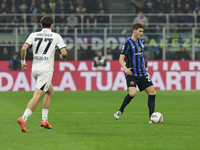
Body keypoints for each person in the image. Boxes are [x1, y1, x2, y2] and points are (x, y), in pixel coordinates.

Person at [17, 15, 68, 133]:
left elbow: (23, 49)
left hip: (35, 70)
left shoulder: (33, 35)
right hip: (45, 71)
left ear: (41, 26)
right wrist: (63, 57)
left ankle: (44, 120)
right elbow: (64, 52)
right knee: (38, 96)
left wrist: (23, 62)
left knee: (50, 92)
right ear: (52, 26)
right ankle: (23, 118)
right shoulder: (56, 36)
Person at [114, 23, 164, 123]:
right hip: (132, 73)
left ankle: (151, 119)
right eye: (140, 31)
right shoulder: (127, 43)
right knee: (132, 93)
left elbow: (142, 56)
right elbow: (121, 58)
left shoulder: (141, 42)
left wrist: (144, 67)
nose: (142, 33)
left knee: (152, 93)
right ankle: (120, 111)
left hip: (142, 73)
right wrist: (125, 69)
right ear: (134, 31)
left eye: (142, 31)